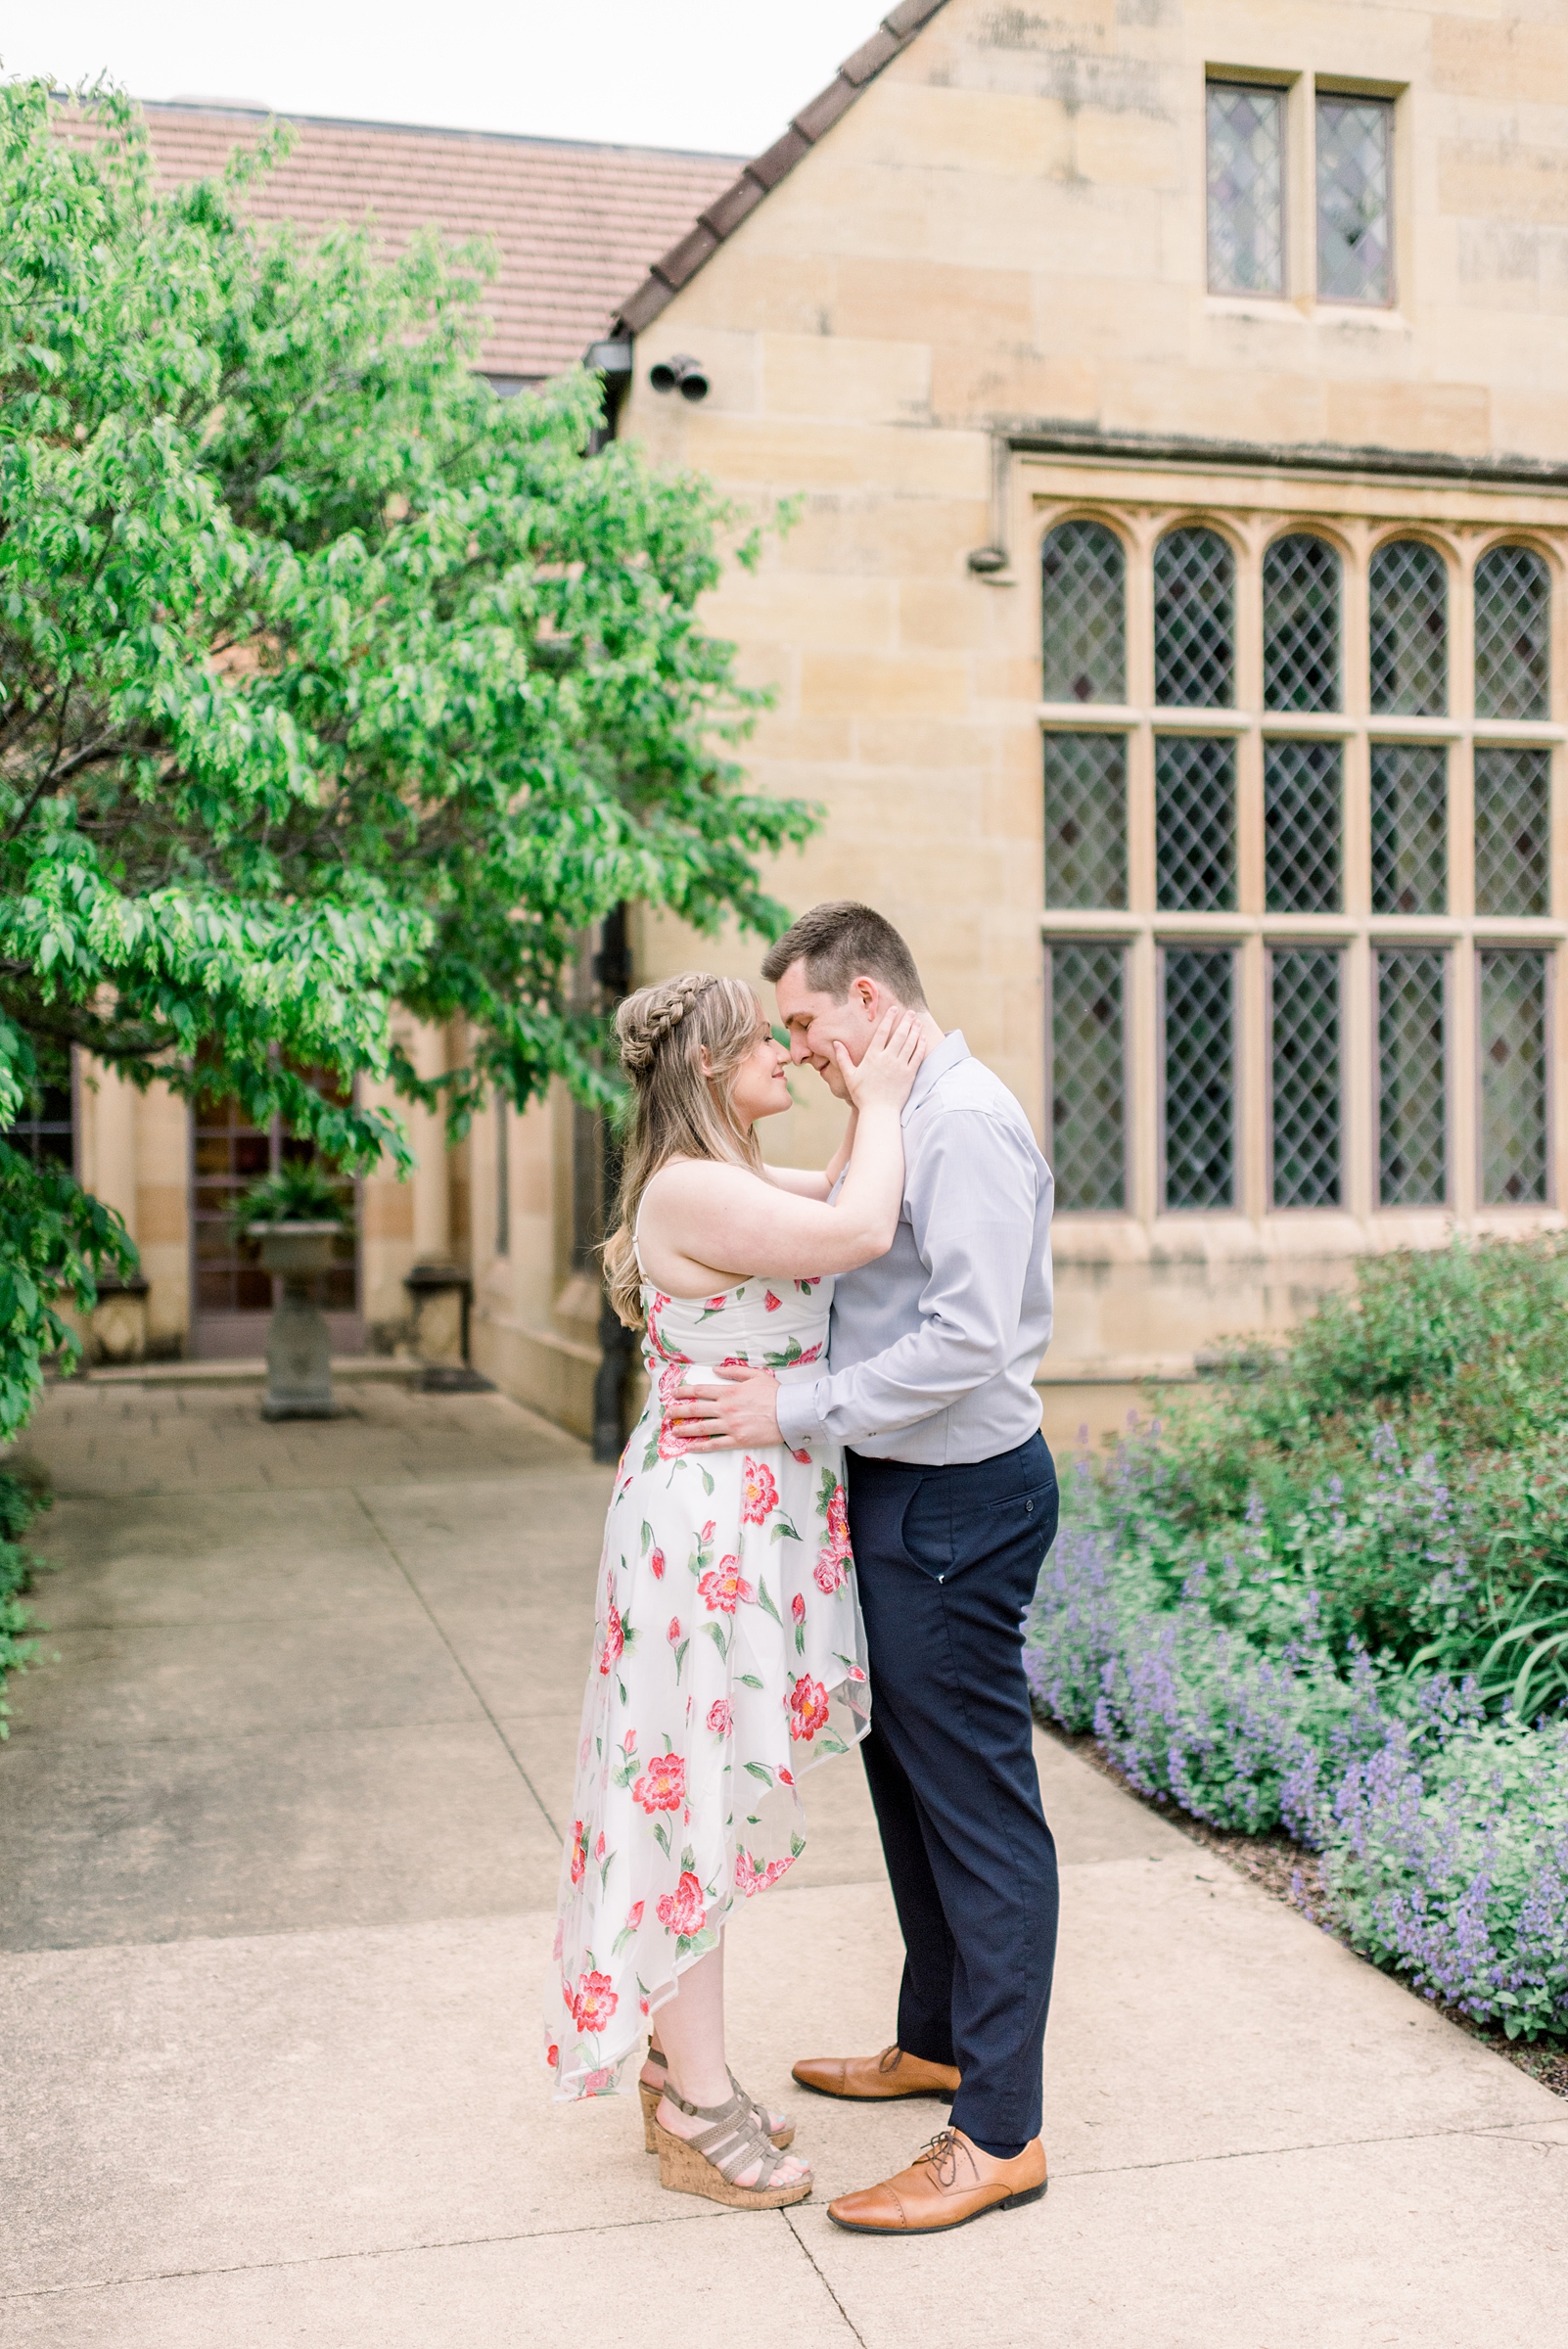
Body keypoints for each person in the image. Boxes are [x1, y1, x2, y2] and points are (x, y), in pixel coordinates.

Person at [667, 902, 1059, 2236]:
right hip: (896, 1495)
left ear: (869, 1001)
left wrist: (786, 1411)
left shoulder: (968, 1125)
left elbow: (963, 1345)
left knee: (978, 1810)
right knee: (910, 1787)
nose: (798, 1050)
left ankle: (997, 2132)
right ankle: (937, 2040)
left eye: (805, 1026)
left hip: (959, 1505)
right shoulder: (898, 1116)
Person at [545, 969, 927, 2213]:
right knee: (688, 1809)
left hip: (735, 1524)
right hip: (703, 1533)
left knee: (694, 1798)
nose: (782, 1053)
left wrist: (889, 1114)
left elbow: (867, 1199)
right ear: (707, 1066)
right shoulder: (695, 1187)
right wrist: (878, 1085)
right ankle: (700, 2107)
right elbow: (863, 1229)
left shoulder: (737, 1181)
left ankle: (680, 2067)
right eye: (760, 1041)